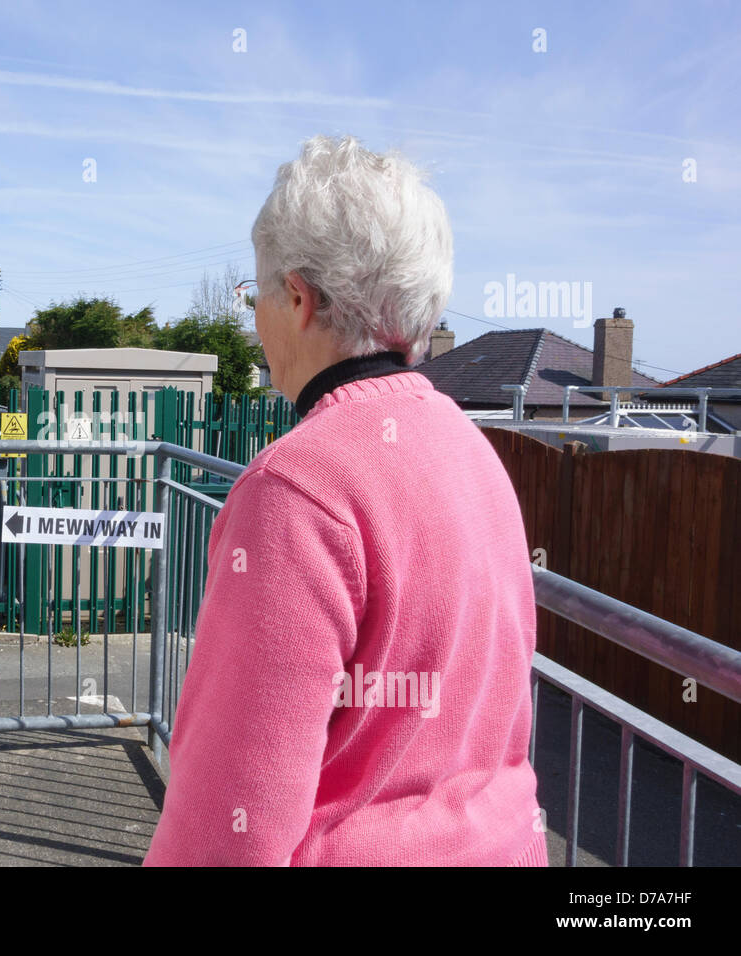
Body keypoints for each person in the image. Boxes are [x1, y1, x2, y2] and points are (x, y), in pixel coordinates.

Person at [142, 135, 547, 867]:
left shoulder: (295, 490)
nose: (254, 320)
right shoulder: (477, 454)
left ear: (298, 298)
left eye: (254, 295)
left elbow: (230, 820)